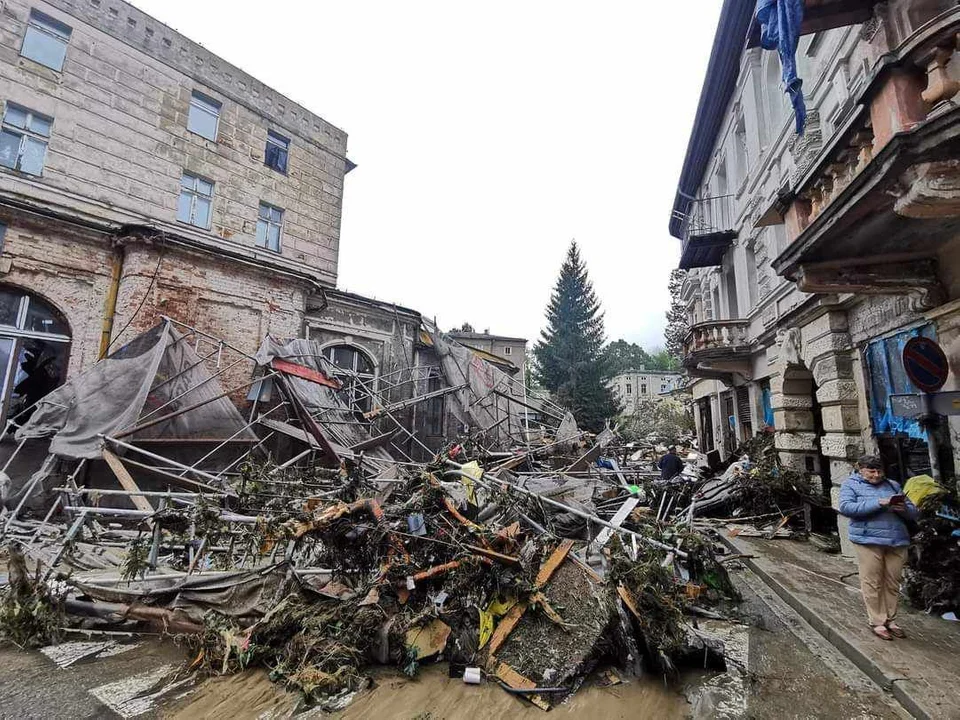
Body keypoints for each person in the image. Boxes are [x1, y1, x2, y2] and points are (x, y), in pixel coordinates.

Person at [838, 454, 918, 641]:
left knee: (893, 581)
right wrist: (878, 502)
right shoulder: (851, 485)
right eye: (871, 471)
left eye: (879, 471)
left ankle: (891, 619)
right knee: (872, 581)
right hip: (868, 540)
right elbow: (847, 508)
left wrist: (904, 509)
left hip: (897, 539)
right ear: (861, 469)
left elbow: (914, 512)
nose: (876, 475)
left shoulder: (892, 485)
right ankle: (877, 621)